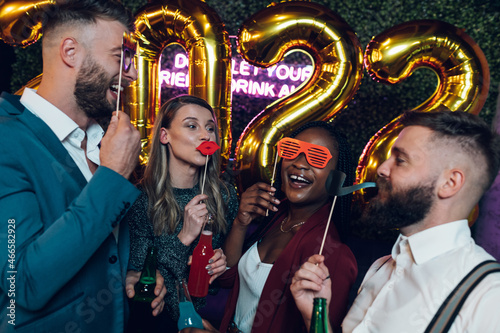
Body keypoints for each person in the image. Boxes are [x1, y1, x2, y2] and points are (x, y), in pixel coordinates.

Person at [0, 1, 167, 332]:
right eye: (121, 58)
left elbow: (90, 249)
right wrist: (113, 176)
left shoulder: (102, 140)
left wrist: (121, 275)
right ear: (71, 52)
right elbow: (24, 283)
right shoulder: (7, 139)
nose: (133, 73)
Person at [293, 111, 500, 332]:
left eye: (400, 160)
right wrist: (316, 314)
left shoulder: (488, 297)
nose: (382, 169)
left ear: (449, 183)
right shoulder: (381, 267)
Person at [219, 121, 358, 333]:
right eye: (292, 150)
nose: (299, 163)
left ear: (336, 178)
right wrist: (241, 222)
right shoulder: (276, 216)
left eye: (317, 156)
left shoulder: (333, 254)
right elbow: (227, 279)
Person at [126, 95, 239, 332]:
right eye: (191, 126)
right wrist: (184, 237)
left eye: (210, 128)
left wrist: (221, 260)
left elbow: (233, 269)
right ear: (165, 135)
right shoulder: (139, 199)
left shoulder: (225, 195)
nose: (206, 135)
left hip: (213, 318)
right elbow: (139, 279)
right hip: (159, 323)